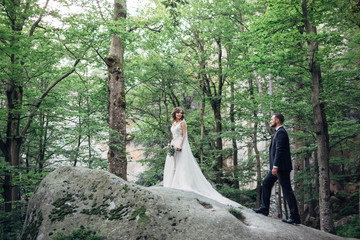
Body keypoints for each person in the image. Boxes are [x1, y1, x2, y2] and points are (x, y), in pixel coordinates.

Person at [163, 107, 240, 207]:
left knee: (182, 164)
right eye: (178, 113)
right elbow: (174, 136)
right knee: (173, 164)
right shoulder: (173, 123)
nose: (180, 115)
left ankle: (181, 182)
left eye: (181, 113)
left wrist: (180, 146)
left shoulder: (183, 123)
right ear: (175, 113)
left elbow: (184, 136)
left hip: (181, 145)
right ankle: (172, 182)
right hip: (173, 144)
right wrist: (171, 145)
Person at [252, 113, 300, 224]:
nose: (270, 121)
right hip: (277, 167)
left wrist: (275, 166)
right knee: (266, 182)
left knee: (287, 191)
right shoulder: (278, 132)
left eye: (272, 119)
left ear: (277, 120)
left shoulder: (281, 133)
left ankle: (295, 217)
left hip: (280, 168)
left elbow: (280, 151)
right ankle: (264, 209)